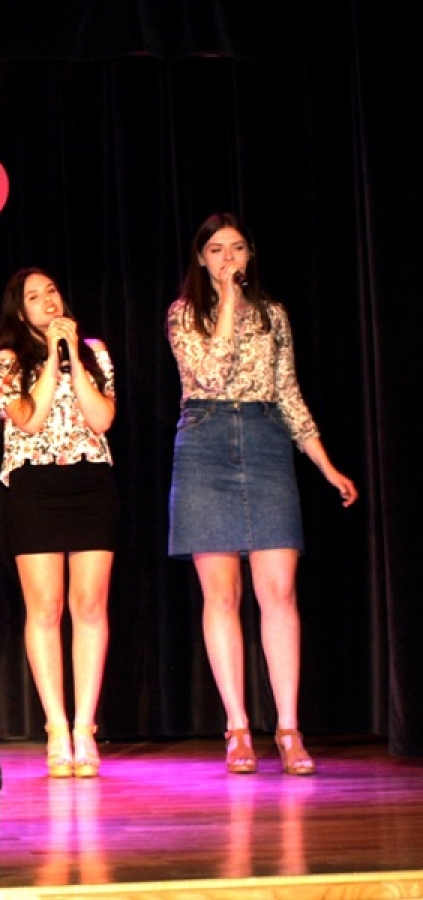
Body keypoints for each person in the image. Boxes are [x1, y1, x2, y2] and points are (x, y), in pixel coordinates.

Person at [167, 212, 359, 776]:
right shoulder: (183, 314)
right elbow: (209, 374)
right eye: (217, 250)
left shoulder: (274, 315)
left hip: (266, 440)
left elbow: (289, 393)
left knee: (279, 591)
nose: (229, 258)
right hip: (204, 442)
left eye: (237, 249)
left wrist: (325, 464)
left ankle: (289, 729)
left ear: (250, 255)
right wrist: (227, 302)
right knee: (222, 594)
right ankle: (237, 729)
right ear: (201, 258)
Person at [0, 268, 119, 778]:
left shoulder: (94, 352)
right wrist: (49, 358)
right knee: (45, 608)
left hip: (91, 483)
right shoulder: (8, 360)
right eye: (34, 296)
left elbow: (102, 419)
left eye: (52, 292)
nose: (47, 301)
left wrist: (73, 358)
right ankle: (57, 728)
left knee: (89, 606)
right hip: (35, 487)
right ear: (20, 311)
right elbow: (30, 418)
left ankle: (85, 728)